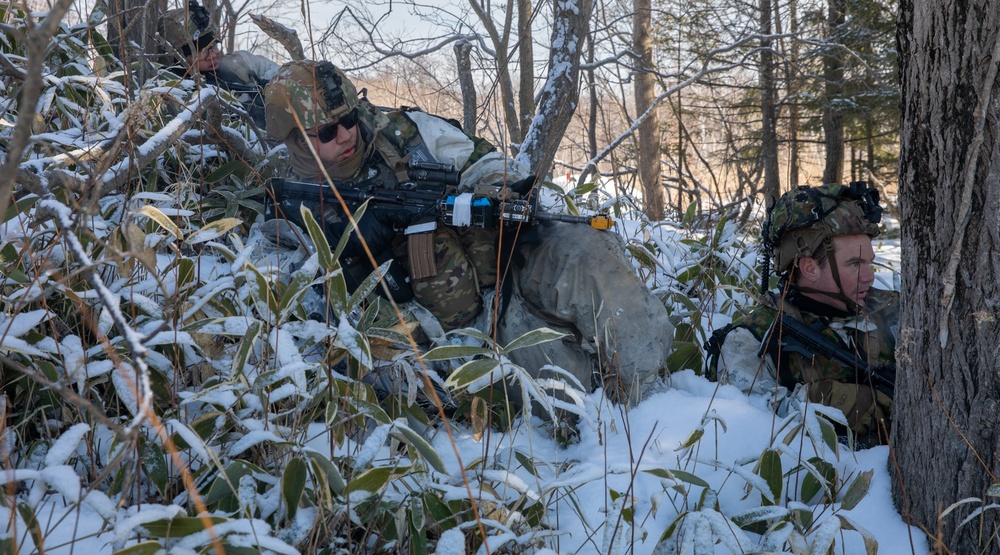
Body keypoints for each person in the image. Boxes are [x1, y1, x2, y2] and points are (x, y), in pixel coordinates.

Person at [262, 59, 675, 406]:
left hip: (506, 265)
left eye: (350, 119)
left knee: (591, 253)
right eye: (328, 132)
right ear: (293, 139)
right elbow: (296, 315)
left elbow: (487, 162)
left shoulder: (406, 133)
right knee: (572, 384)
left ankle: (660, 406)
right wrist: (345, 248)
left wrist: (495, 191)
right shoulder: (284, 198)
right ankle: (622, 430)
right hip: (454, 345)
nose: (348, 134)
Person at [708, 182, 898, 447]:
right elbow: (749, 427)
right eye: (855, 264)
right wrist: (845, 402)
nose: (870, 276)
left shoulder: (895, 310)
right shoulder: (752, 338)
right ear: (810, 268)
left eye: (869, 262)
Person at [156, 0, 279, 129]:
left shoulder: (239, 62)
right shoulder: (176, 92)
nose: (213, 54)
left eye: (214, 46)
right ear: (180, 57)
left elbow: (281, 75)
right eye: (203, 50)